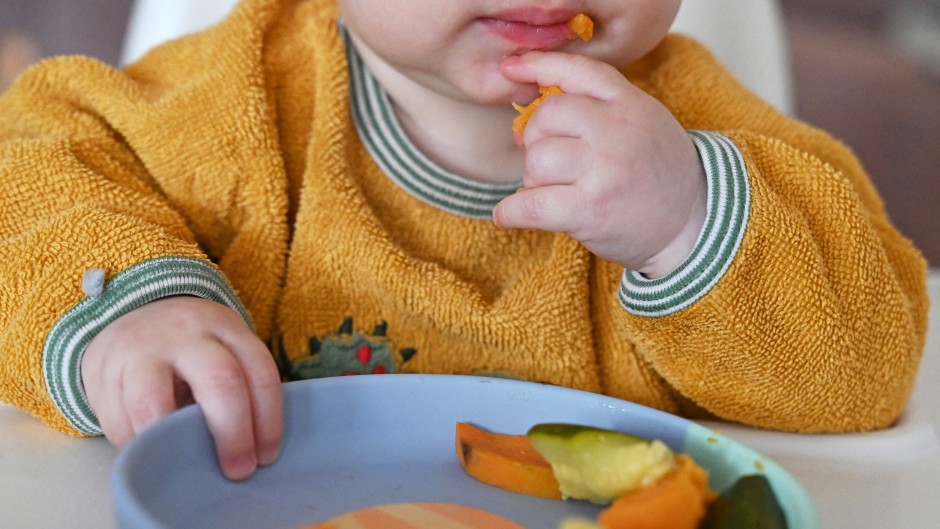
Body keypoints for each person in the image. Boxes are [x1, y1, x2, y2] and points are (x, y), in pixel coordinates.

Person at [0, 0, 928, 481]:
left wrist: (689, 220)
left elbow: (869, 354)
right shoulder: (241, 99)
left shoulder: (695, 128)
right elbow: (30, 164)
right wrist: (133, 303)